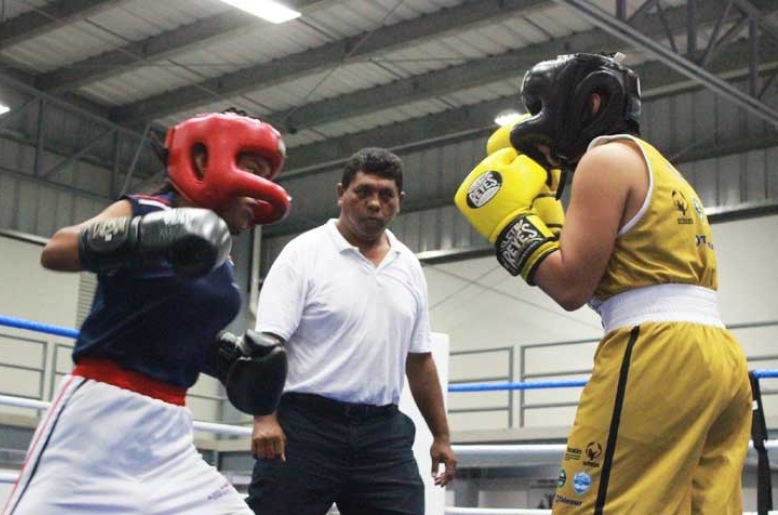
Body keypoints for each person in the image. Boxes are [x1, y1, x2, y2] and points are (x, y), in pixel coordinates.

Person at [454, 52, 751, 514]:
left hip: (657, 352)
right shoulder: (664, 170)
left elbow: (571, 286)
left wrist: (509, 224)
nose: (538, 122)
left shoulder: (604, 160)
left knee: (595, 504)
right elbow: (608, 275)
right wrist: (549, 218)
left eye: (541, 106)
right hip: (719, 357)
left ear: (592, 100)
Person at [3, 110, 292, 515]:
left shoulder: (219, 256)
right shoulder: (145, 210)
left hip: (169, 427)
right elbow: (57, 250)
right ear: (204, 161)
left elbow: (170, 326)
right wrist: (147, 235)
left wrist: (226, 360)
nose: (259, 190)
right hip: (97, 420)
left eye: (267, 178)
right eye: (252, 171)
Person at [245, 147, 457, 515]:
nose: (374, 203)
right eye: (363, 191)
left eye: (386, 195)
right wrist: (264, 418)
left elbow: (420, 360)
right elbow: (266, 344)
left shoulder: (408, 266)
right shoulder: (304, 253)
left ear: (400, 202)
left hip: (382, 433)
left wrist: (441, 435)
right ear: (341, 192)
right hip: (304, 429)